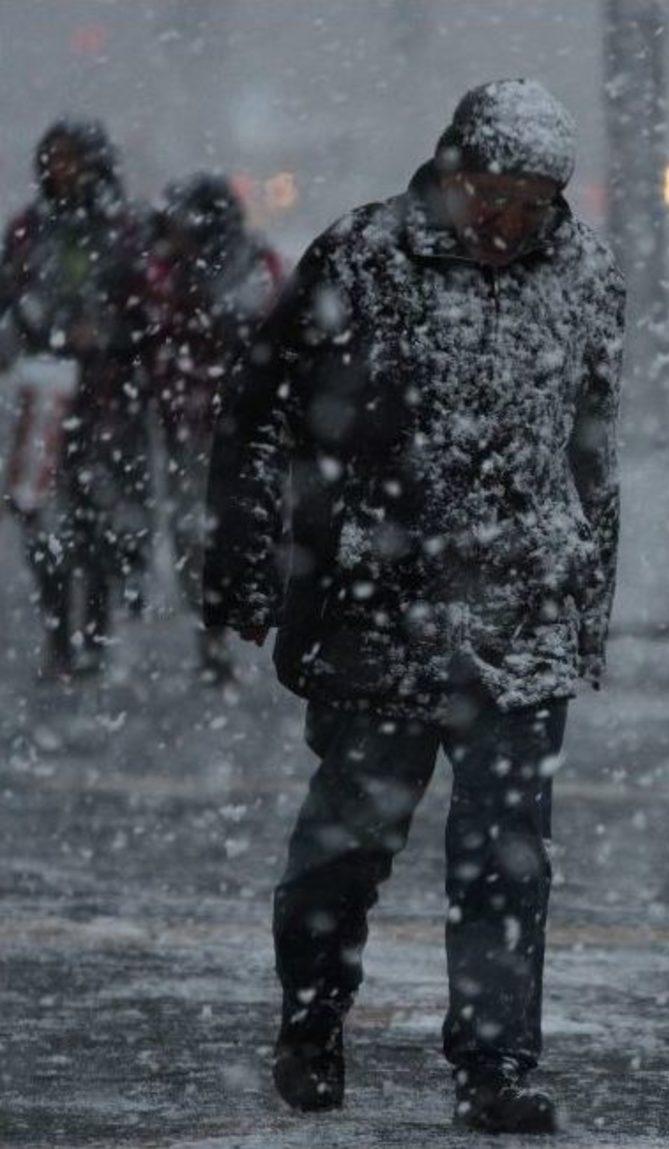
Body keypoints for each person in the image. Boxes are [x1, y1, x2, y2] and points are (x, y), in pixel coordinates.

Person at [203, 79, 625, 1134]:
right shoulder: (359, 258)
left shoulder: (583, 276)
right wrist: (246, 555)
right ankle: (311, 1017)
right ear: (447, 172)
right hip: (373, 607)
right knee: (344, 850)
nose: (505, 222)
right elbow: (256, 410)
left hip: (518, 620)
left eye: (531, 204)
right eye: (489, 193)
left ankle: (492, 1067)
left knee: (503, 861)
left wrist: (586, 599)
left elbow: (591, 450)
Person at [0, 119, 150, 678]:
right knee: (41, 526)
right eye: (53, 159)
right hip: (42, 400)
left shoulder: (123, 230)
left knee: (97, 526)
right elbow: (7, 298)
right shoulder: (27, 230)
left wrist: (106, 334)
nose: (60, 171)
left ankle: (96, 634)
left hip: (106, 402)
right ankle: (59, 637)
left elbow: (145, 313)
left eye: (72, 159)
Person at [145, 174, 283, 682]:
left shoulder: (250, 265)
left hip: (237, 421)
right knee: (192, 531)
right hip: (190, 422)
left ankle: (225, 623)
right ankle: (213, 630)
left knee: (225, 527)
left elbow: (263, 325)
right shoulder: (166, 269)